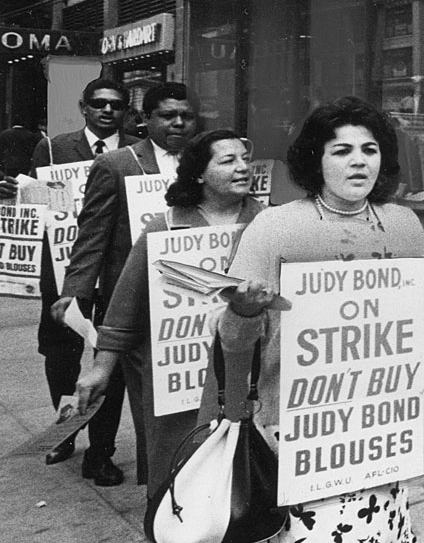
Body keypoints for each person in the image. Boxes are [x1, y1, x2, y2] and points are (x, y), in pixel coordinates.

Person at [218, 96, 424, 542]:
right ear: (315, 160)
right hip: (303, 433)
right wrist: (243, 309)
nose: (359, 162)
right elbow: (235, 341)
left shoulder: (403, 225)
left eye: (369, 150)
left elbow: (418, 315)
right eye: (341, 151)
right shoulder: (273, 228)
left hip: (381, 430)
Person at [73, 129, 265, 500]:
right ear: (198, 173)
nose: (243, 167)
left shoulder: (269, 224)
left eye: (245, 158)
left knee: (243, 483)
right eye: (228, 161)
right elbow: (125, 308)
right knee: (179, 482)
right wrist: (101, 368)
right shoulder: (164, 227)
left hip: (246, 373)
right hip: (177, 381)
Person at [54, 80, 202, 486]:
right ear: (146, 119)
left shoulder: (206, 161)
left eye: (186, 116)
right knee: (112, 379)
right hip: (129, 295)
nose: (178, 123)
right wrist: (75, 294)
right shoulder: (117, 164)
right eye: (168, 116)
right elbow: (93, 235)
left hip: (188, 303)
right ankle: (101, 455)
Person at [30, 79, 139, 467]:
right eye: (99, 104)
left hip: (114, 272)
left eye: (116, 105)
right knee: (61, 355)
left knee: (108, 359)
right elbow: (37, 202)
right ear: (84, 107)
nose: (107, 111)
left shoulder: (136, 153)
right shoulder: (55, 148)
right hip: (64, 270)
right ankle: (65, 434)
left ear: (126, 110)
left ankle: (101, 451)